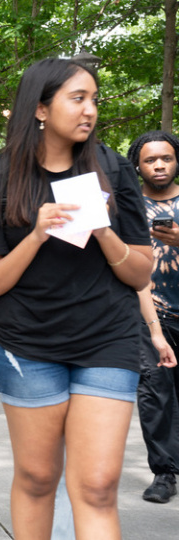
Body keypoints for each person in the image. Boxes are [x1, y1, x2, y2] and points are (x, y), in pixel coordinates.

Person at [0, 57, 153, 539]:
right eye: (78, 98)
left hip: (106, 341)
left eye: (94, 99)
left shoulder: (113, 168)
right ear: (41, 108)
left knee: (96, 486)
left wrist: (104, 231)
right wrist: (36, 234)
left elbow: (139, 271)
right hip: (27, 345)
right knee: (37, 478)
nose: (90, 109)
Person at [126, 130, 179, 503]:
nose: (158, 165)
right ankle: (164, 472)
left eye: (166, 158)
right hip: (149, 315)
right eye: (150, 159)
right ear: (138, 165)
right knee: (155, 394)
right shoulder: (129, 208)